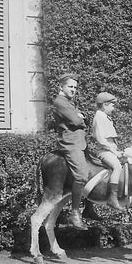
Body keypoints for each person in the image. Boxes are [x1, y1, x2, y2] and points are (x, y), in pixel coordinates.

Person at [52, 73, 90, 230]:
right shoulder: (60, 102)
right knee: (82, 175)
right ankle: (74, 213)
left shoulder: (69, 102)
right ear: (61, 86)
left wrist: (80, 117)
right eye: (70, 86)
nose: (73, 89)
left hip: (80, 142)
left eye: (75, 87)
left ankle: (90, 209)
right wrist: (80, 118)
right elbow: (76, 120)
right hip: (71, 143)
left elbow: (82, 119)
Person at [91, 92, 124, 211]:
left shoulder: (105, 117)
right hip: (104, 151)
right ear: (105, 105)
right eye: (112, 105)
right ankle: (112, 198)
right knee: (117, 167)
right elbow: (101, 139)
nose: (113, 108)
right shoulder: (99, 116)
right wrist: (114, 152)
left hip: (112, 150)